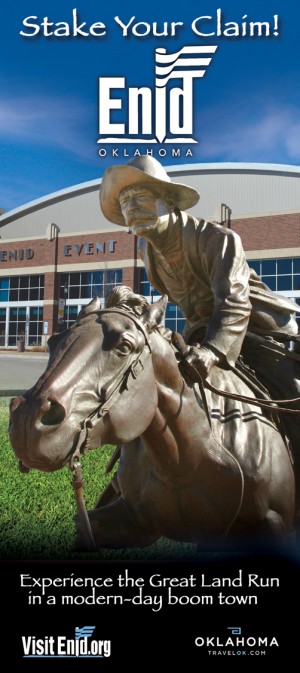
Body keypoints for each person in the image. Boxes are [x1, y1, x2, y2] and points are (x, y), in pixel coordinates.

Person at [100, 156, 300, 454]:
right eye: (125, 200)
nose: (129, 207)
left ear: (169, 201)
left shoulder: (217, 240)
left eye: (140, 196)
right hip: (201, 331)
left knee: (292, 398)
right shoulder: (146, 249)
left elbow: (234, 302)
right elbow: (175, 302)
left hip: (257, 329)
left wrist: (212, 350)